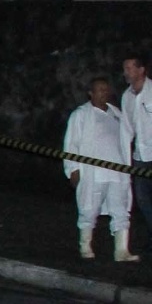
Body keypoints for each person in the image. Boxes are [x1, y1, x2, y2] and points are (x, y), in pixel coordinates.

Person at [64, 76, 137, 262]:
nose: (104, 93)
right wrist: (73, 169)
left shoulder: (116, 114)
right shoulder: (81, 115)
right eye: (100, 90)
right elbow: (71, 143)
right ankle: (85, 246)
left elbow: (127, 136)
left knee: (120, 210)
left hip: (117, 172)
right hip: (94, 173)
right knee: (89, 209)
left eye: (106, 89)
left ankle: (121, 250)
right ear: (91, 93)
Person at [120, 55, 152, 250]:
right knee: (142, 199)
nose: (126, 72)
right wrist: (125, 161)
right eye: (125, 68)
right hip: (140, 157)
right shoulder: (127, 97)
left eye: (129, 68)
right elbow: (126, 130)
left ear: (141, 70)